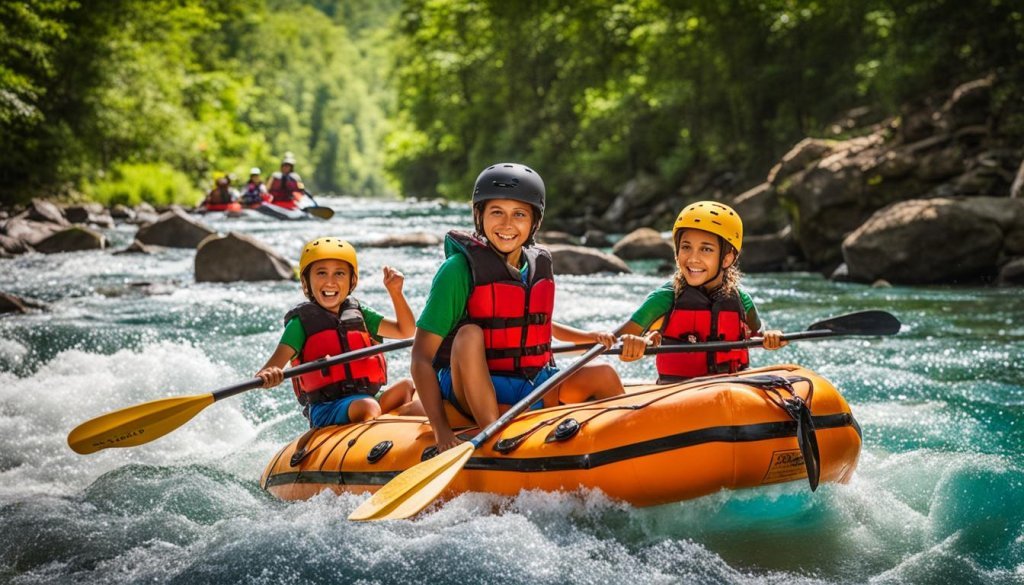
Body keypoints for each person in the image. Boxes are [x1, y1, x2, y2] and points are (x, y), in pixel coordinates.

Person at [412, 162, 625, 452]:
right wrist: (441, 430)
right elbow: (421, 357)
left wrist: (586, 337)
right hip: (471, 382)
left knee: (604, 374)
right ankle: (494, 439)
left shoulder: (537, 264)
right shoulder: (458, 270)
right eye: (496, 212)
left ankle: (623, 448)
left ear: (534, 222)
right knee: (469, 334)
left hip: (531, 379)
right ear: (480, 216)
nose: (507, 224)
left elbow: (532, 323)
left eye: (519, 214)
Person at [255, 237, 423, 427]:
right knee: (368, 407)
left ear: (352, 280)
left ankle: (419, 426)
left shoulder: (360, 313)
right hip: (327, 407)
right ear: (306, 281)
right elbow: (269, 368)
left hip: (368, 398)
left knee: (408, 386)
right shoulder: (300, 323)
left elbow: (406, 330)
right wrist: (270, 374)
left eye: (339, 274)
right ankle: (387, 428)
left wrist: (396, 292)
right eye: (321, 273)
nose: (330, 281)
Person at [616, 201, 786, 382]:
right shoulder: (664, 298)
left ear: (727, 258)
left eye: (706, 249)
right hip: (677, 394)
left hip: (734, 388)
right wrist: (631, 345)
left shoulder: (741, 299)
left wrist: (770, 337)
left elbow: (757, 333)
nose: (693, 258)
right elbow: (613, 342)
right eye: (686, 247)